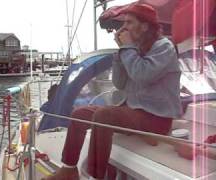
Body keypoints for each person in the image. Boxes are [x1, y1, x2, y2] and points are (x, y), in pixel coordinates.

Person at [42, 3, 182, 180]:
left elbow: (142, 76)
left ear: (145, 26)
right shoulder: (134, 49)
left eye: (129, 23)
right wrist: (119, 56)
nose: (123, 28)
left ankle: (95, 176)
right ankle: (68, 170)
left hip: (157, 119)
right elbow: (120, 83)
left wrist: (128, 48)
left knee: (104, 115)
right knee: (79, 114)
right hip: (134, 113)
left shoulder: (164, 47)